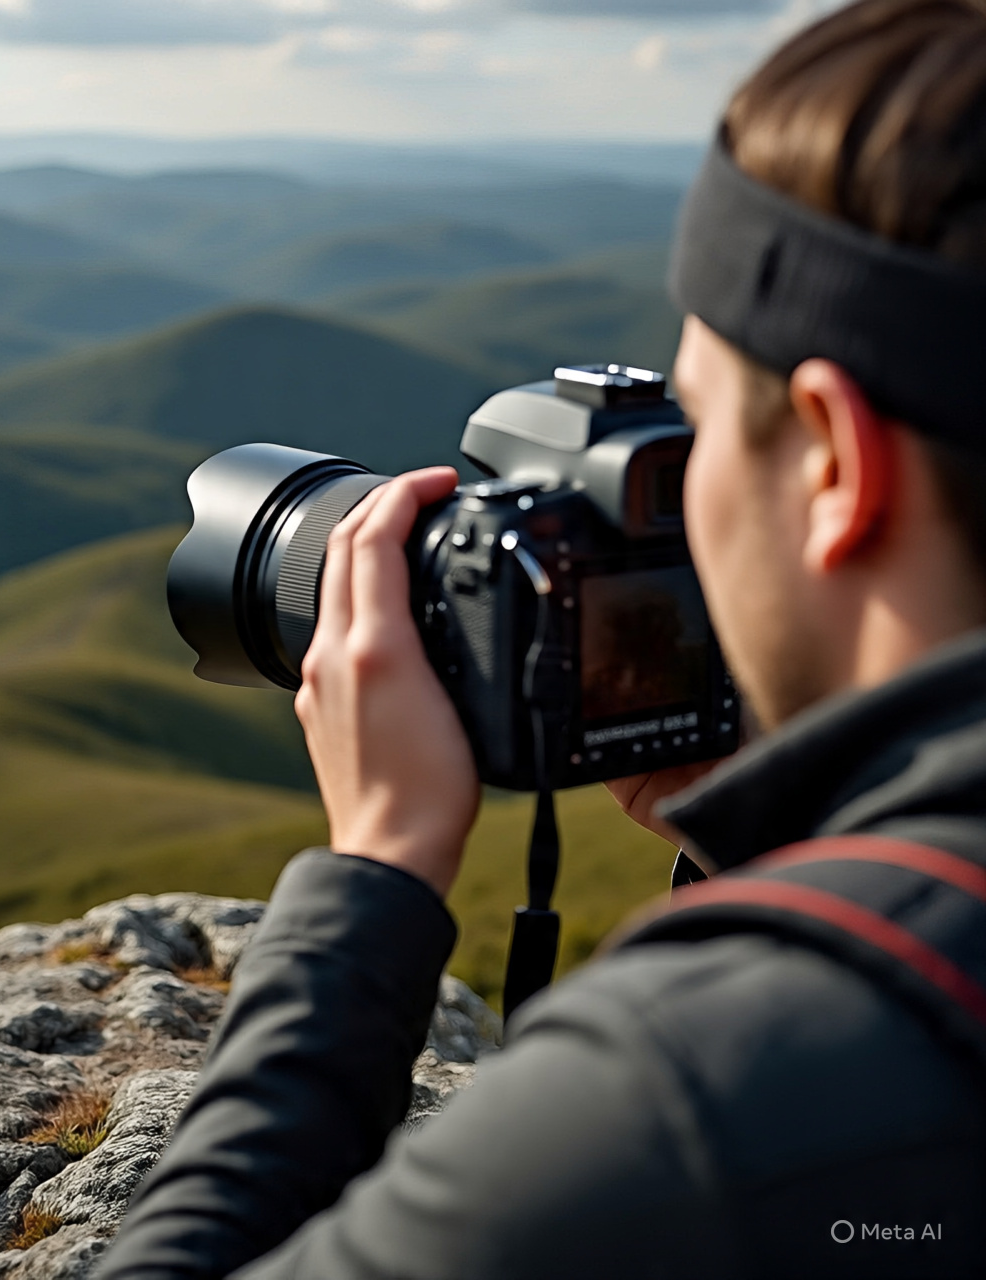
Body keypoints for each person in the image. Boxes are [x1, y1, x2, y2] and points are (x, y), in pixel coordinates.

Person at [94, 1, 986, 1274]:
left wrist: (378, 871)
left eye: (698, 435)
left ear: (834, 458)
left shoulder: (696, 1088)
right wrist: (774, 833)